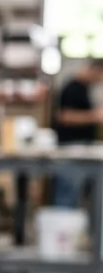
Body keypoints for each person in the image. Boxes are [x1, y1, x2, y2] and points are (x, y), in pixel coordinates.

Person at [53, 60, 103, 207]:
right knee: (67, 193)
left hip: (82, 148)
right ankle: (61, 221)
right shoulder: (72, 88)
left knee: (79, 194)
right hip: (70, 148)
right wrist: (94, 116)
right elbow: (63, 116)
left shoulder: (85, 89)